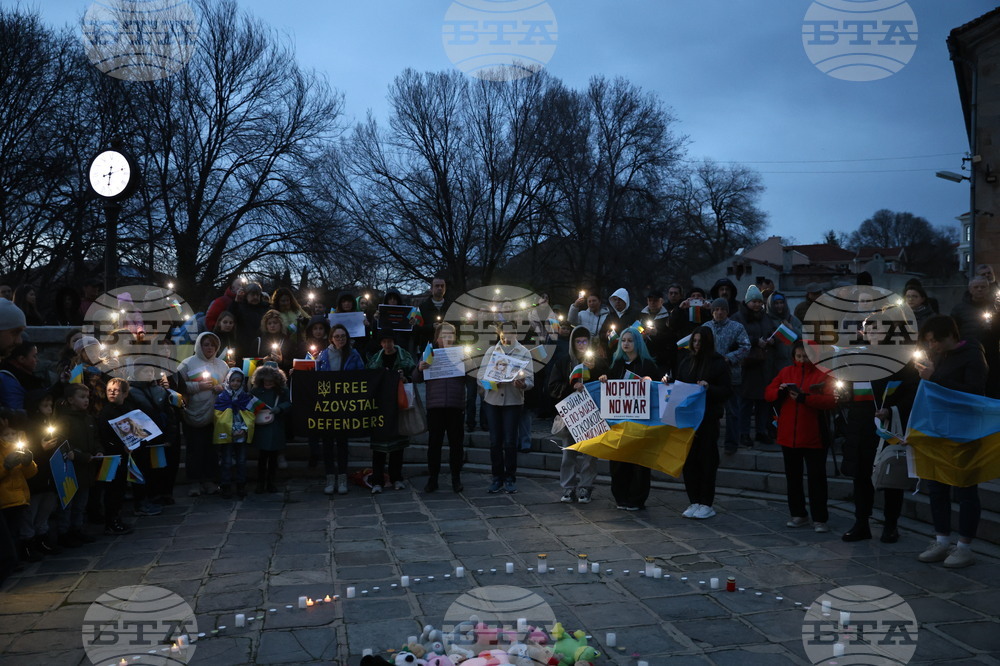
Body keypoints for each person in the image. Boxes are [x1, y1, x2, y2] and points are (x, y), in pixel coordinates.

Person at [914, 315, 989, 568]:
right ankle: (942, 540)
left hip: (965, 431)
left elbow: (974, 394)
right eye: (929, 342)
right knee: (936, 486)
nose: (932, 345)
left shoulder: (972, 354)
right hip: (938, 430)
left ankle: (964, 546)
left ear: (950, 336)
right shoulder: (939, 356)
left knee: (965, 488)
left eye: (935, 341)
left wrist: (935, 378)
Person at [765, 341, 836, 532]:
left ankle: (820, 518)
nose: (802, 359)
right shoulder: (786, 372)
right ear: (793, 356)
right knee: (793, 478)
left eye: (805, 356)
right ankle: (798, 514)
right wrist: (778, 392)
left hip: (814, 436)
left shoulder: (823, 374)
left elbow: (831, 400)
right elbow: (768, 392)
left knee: (817, 479)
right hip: (789, 435)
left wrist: (806, 398)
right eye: (799, 356)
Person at [599, 325, 659, 510]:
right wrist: (604, 380)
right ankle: (621, 497)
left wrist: (650, 382)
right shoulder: (616, 364)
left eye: (630, 340)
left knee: (639, 463)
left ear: (638, 343)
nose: (626, 343)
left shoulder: (647, 365)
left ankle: (637, 499)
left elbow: (658, 389)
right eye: (623, 340)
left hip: (640, 424)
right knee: (618, 461)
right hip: (618, 423)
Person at [674, 326, 732, 519]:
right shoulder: (686, 362)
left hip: (708, 419)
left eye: (700, 342)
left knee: (707, 461)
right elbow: (679, 384)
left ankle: (707, 502)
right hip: (688, 421)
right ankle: (694, 501)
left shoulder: (718, 364)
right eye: (695, 341)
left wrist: (709, 387)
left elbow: (726, 390)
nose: (697, 345)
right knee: (690, 462)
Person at [549, 325, 607, 504]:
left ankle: (586, 487)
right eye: (578, 341)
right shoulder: (564, 361)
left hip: (591, 414)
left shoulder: (598, 361)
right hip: (571, 415)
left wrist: (601, 376)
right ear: (573, 343)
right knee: (569, 453)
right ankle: (568, 487)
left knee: (590, 453)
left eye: (584, 341)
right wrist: (570, 386)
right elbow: (552, 387)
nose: (581, 344)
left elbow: (606, 383)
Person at [478, 323, 534, 494]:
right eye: (504, 333)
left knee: (510, 441)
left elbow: (531, 380)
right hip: (493, 401)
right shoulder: (492, 351)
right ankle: (496, 477)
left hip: (513, 401)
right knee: (495, 441)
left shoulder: (524, 352)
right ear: (500, 334)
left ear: (515, 333)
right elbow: (480, 377)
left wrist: (523, 384)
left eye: (510, 332)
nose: (506, 336)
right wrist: (493, 382)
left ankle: (510, 477)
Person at [414, 322, 466, 493]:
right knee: (434, 445)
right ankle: (433, 478)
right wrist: (420, 368)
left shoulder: (462, 354)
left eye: (450, 334)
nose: (447, 338)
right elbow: (416, 378)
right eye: (444, 335)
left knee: (456, 444)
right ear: (437, 338)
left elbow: (472, 378)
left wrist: (470, 365)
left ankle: (456, 478)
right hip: (435, 406)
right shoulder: (429, 354)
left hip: (455, 405)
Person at [176, 332, 228, 497]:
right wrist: (198, 387)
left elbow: (231, 383)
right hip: (194, 413)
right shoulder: (187, 364)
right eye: (206, 344)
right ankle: (194, 482)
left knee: (211, 449)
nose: (209, 348)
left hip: (215, 414)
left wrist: (222, 387)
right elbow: (178, 385)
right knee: (195, 449)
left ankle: (209, 480)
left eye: (213, 345)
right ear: (199, 345)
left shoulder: (222, 365)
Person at [316, 323, 364, 495]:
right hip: (328, 405)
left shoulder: (354, 354)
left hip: (345, 405)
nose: (340, 339)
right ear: (331, 338)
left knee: (342, 442)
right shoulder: (323, 355)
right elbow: (315, 377)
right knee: (328, 443)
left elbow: (362, 375)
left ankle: (342, 477)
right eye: (337, 336)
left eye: (343, 336)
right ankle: (330, 477)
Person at [367, 330, 415, 493]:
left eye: (390, 341)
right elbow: (368, 377)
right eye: (384, 341)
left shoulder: (405, 357)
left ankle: (396, 477)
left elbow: (414, 374)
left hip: (398, 405)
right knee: (378, 447)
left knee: (397, 445)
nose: (387, 344)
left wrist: (404, 377)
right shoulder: (375, 360)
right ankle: (377, 480)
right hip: (379, 406)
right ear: (380, 343)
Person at [732, 285, 777, 448]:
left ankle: (760, 431)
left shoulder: (765, 317)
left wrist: (771, 340)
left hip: (764, 364)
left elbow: (771, 331)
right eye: (754, 302)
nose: (757, 305)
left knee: (763, 401)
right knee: (745, 402)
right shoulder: (738, 317)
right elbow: (735, 336)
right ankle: (743, 433)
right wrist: (755, 341)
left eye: (759, 301)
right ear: (747, 302)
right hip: (747, 365)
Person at [55, 384, 100, 547]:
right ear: (70, 400)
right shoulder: (64, 420)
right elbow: (61, 442)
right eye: (82, 397)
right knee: (68, 503)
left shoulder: (88, 418)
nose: (86, 400)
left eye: (87, 397)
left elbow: (95, 438)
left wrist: (98, 451)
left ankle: (77, 528)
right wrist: (81, 456)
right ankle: (64, 532)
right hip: (71, 469)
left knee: (81, 503)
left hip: (87, 468)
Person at [704, 298, 751, 454]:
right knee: (711, 412)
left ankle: (731, 443)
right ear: (712, 311)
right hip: (711, 377)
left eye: (722, 309)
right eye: (716, 309)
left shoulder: (736, 327)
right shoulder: (706, 327)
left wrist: (729, 358)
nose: (719, 312)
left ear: (727, 311)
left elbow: (746, 347)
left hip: (732, 375)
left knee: (733, 412)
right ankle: (711, 441)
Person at [213, 368, 265, 500]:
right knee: (226, 461)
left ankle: (241, 485)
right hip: (228, 434)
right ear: (228, 380)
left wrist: (243, 428)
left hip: (241, 434)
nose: (235, 383)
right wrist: (229, 429)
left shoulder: (245, 397)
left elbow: (250, 415)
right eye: (233, 380)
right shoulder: (222, 397)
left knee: (241, 460)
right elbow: (219, 416)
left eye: (238, 381)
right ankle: (226, 485)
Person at [950, 276, 1000, 397]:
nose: (979, 289)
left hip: (991, 352)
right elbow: (953, 330)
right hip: (968, 352)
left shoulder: (995, 308)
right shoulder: (959, 309)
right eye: (976, 287)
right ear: (970, 289)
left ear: (988, 289)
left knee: (992, 385)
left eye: (983, 287)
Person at [0, 423, 38, 565]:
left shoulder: (18, 448)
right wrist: (6, 466)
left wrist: (29, 463)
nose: (10, 437)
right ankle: (11, 560)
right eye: (6, 434)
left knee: (18, 530)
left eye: (13, 433)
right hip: (5, 499)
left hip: (20, 498)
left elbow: (30, 474)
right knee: (9, 533)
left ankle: (18, 557)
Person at [250, 365, 291, 493]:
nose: (268, 384)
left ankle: (271, 482)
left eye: (270, 381)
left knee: (273, 457)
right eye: (265, 381)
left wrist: (279, 409)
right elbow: (250, 402)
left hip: (275, 425)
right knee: (262, 457)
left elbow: (289, 403)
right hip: (262, 426)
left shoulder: (282, 391)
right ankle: (260, 483)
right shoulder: (256, 391)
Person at [765, 291, 801, 376]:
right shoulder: (766, 320)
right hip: (773, 364)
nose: (779, 306)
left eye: (781, 303)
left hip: (791, 363)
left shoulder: (792, 319)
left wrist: (791, 328)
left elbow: (802, 336)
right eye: (776, 303)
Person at [640, 288, 673, 375]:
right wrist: (641, 335)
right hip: (645, 355)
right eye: (650, 300)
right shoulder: (641, 315)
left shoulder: (668, 316)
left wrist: (657, 334)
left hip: (663, 357)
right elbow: (637, 328)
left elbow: (672, 336)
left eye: (655, 300)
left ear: (661, 301)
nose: (652, 303)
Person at [417, 277, 451, 350]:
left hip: (448, 347)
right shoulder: (422, 308)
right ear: (431, 289)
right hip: (428, 348)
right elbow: (417, 329)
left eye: (442, 286)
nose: (440, 288)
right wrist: (431, 326)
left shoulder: (451, 306)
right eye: (437, 286)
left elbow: (457, 325)